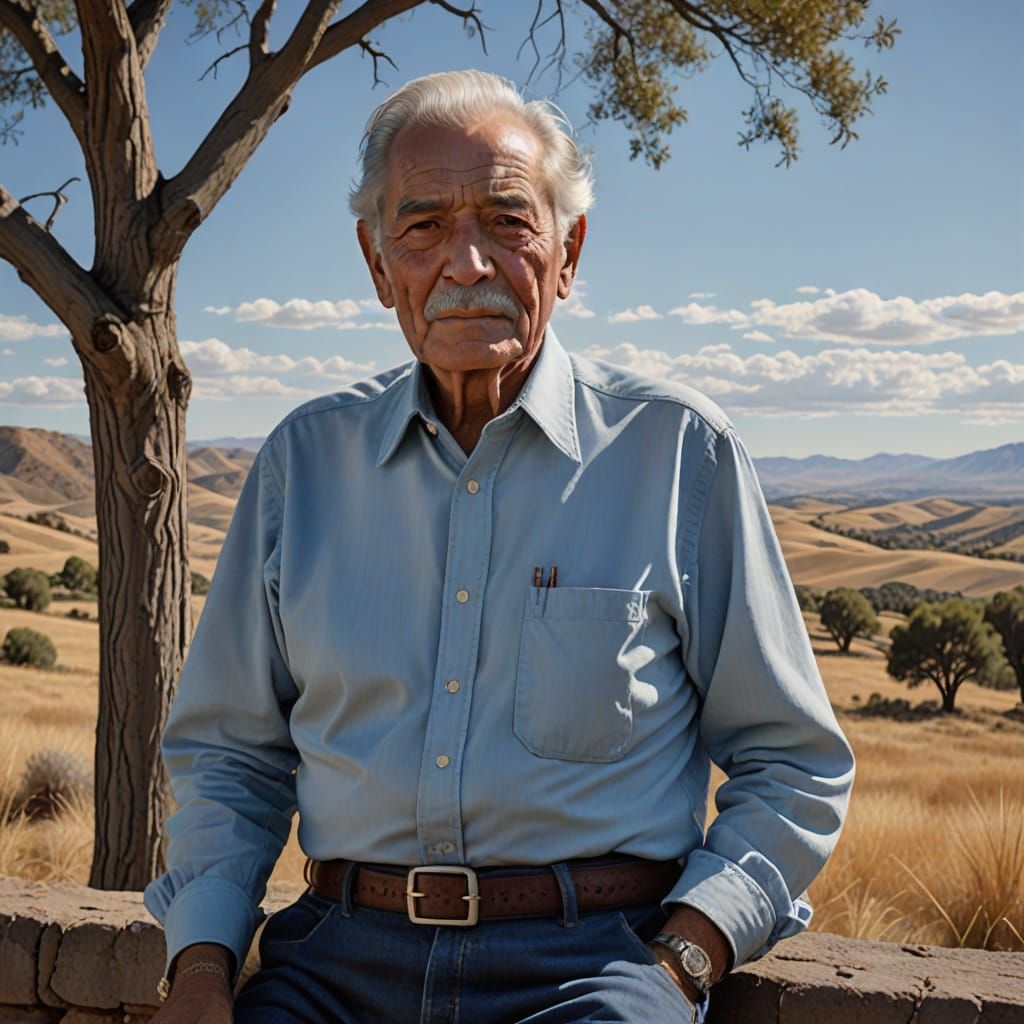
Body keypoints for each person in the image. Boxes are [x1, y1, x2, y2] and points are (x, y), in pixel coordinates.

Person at [144, 69, 855, 1024]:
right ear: (378, 263)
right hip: (332, 968)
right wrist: (199, 966)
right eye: (424, 225)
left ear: (568, 252)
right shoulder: (303, 464)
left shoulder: (678, 452)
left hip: (593, 967)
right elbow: (230, 757)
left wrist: (683, 958)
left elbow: (792, 760)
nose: (467, 262)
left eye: (508, 221)